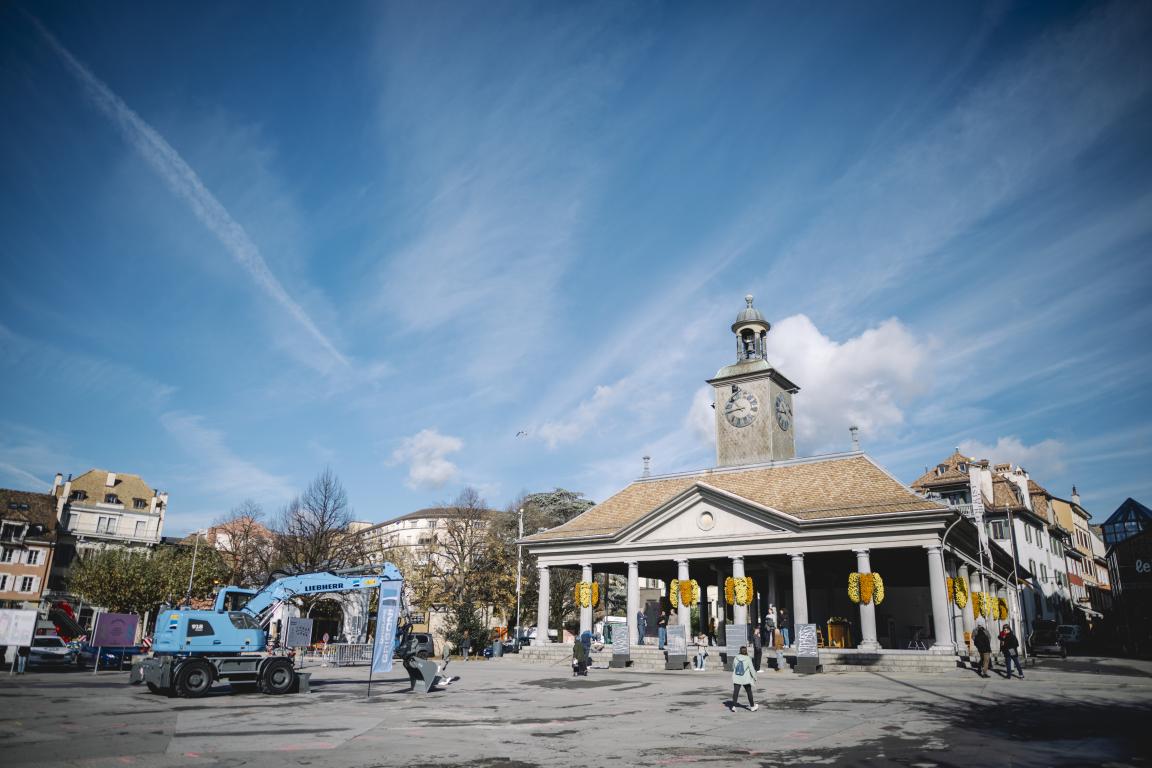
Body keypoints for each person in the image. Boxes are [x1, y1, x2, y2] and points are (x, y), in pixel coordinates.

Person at [728, 645, 758, 712]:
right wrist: (755, 677)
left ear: (740, 651)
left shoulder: (736, 658)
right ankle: (752, 706)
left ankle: (734, 706)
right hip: (746, 679)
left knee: (736, 692)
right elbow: (752, 669)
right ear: (746, 651)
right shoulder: (748, 658)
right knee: (749, 692)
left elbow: (733, 667)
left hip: (736, 677)